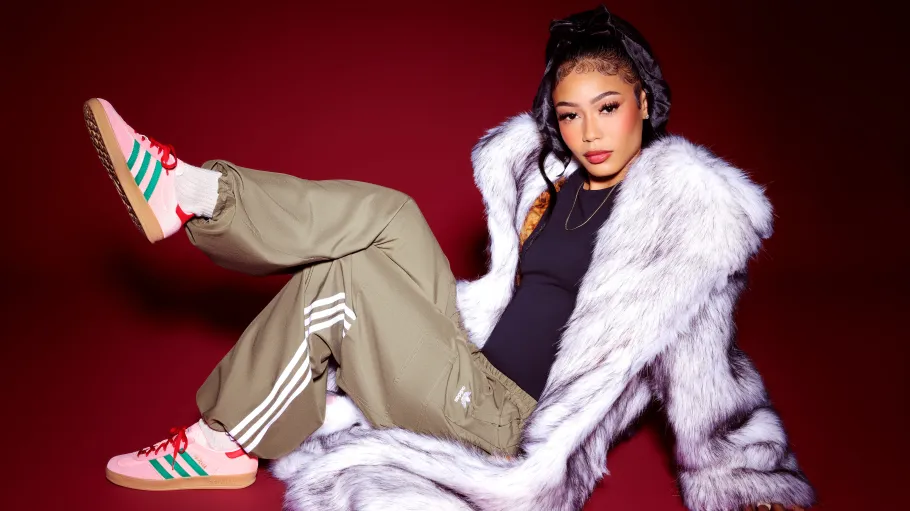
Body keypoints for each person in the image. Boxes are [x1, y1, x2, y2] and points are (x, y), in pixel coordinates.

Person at [85, 5, 815, 510]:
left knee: (338, 287)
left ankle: (224, 440)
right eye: (570, 114)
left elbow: (708, 369)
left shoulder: (682, 229)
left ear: (644, 105)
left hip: (504, 422)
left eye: (608, 107)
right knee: (392, 213)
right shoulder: (550, 182)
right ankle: (192, 192)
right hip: (466, 359)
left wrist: (748, 481)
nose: (589, 131)